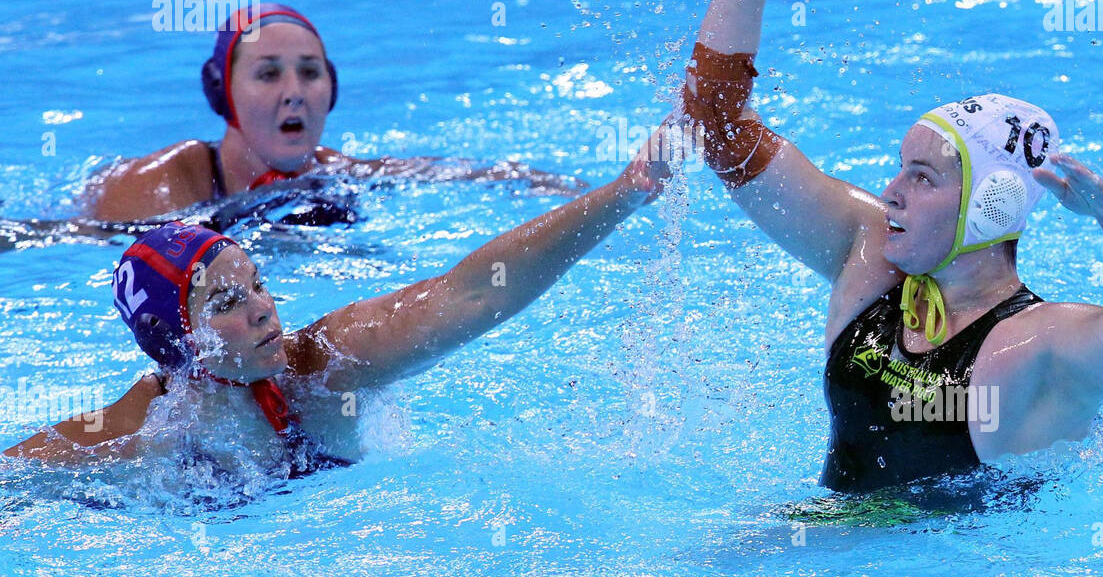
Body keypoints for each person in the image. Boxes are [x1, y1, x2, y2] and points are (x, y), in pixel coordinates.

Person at [677, 0, 1103, 493]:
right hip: (841, 548)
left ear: (991, 206)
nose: (890, 190)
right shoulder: (870, 256)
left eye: (921, 177)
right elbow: (716, 120)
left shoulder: (1030, 349)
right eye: (901, 169)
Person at [4, 136, 669, 475]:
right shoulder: (137, 429)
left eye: (259, 285)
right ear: (179, 341)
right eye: (230, 302)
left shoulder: (326, 366)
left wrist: (621, 195)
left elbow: (473, 290)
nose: (266, 310)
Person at [83, 2, 582, 227]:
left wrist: (528, 180)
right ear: (221, 94)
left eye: (310, 72)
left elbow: (436, 172)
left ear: (333, 87)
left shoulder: (331, 172)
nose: (294, 93)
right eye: (269, 74)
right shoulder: (164, 187)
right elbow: (71, 240)